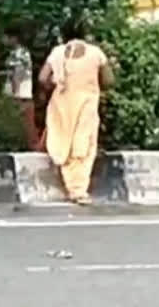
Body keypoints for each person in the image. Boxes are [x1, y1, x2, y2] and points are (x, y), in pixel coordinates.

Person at [38, 23, 114, 205]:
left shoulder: (57, 53)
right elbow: (109, 80)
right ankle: (77, 189)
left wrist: (55, 86)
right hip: (87, 102)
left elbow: (42, 78)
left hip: (61, 103)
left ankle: (69, 181)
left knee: (63, 138)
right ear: (86, 34)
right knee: (83, 145)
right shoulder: (96, 53)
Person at [2, 26, 39, 150]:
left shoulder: (19, 54)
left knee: (24, 124)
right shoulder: (18, 53)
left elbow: (17, 73)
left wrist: (15, 92)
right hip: (20, 93)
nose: (4, 40)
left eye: (6, 37)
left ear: (14, 38)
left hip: (20, 94)